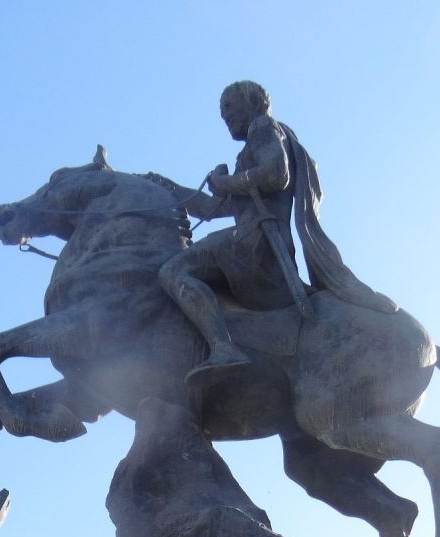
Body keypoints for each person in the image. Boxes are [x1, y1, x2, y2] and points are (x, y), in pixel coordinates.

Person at [153, 81, 396, 383]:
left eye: (228, 106)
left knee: (172, 271)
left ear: (253, 101)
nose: (224, 116)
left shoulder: (264, 127)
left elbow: (275, 174)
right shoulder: (250, 148)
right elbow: (212, 209)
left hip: (255, 244)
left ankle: (223, 347)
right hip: (251, 241)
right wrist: (168, 188)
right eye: (221, 111)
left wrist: (226, 183)